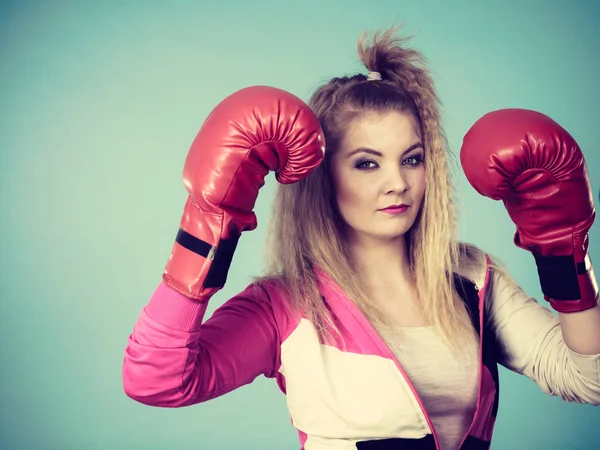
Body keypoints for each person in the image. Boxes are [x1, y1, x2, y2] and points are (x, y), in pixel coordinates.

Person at [122, 27, 600, 450]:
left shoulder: (473, 278)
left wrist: (564, 250)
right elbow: (155, 380)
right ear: (324, 176)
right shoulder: (284, 305)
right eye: (367, 163)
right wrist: (206, 223)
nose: (398, 182)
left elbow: (589, 377)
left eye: (411, 159)